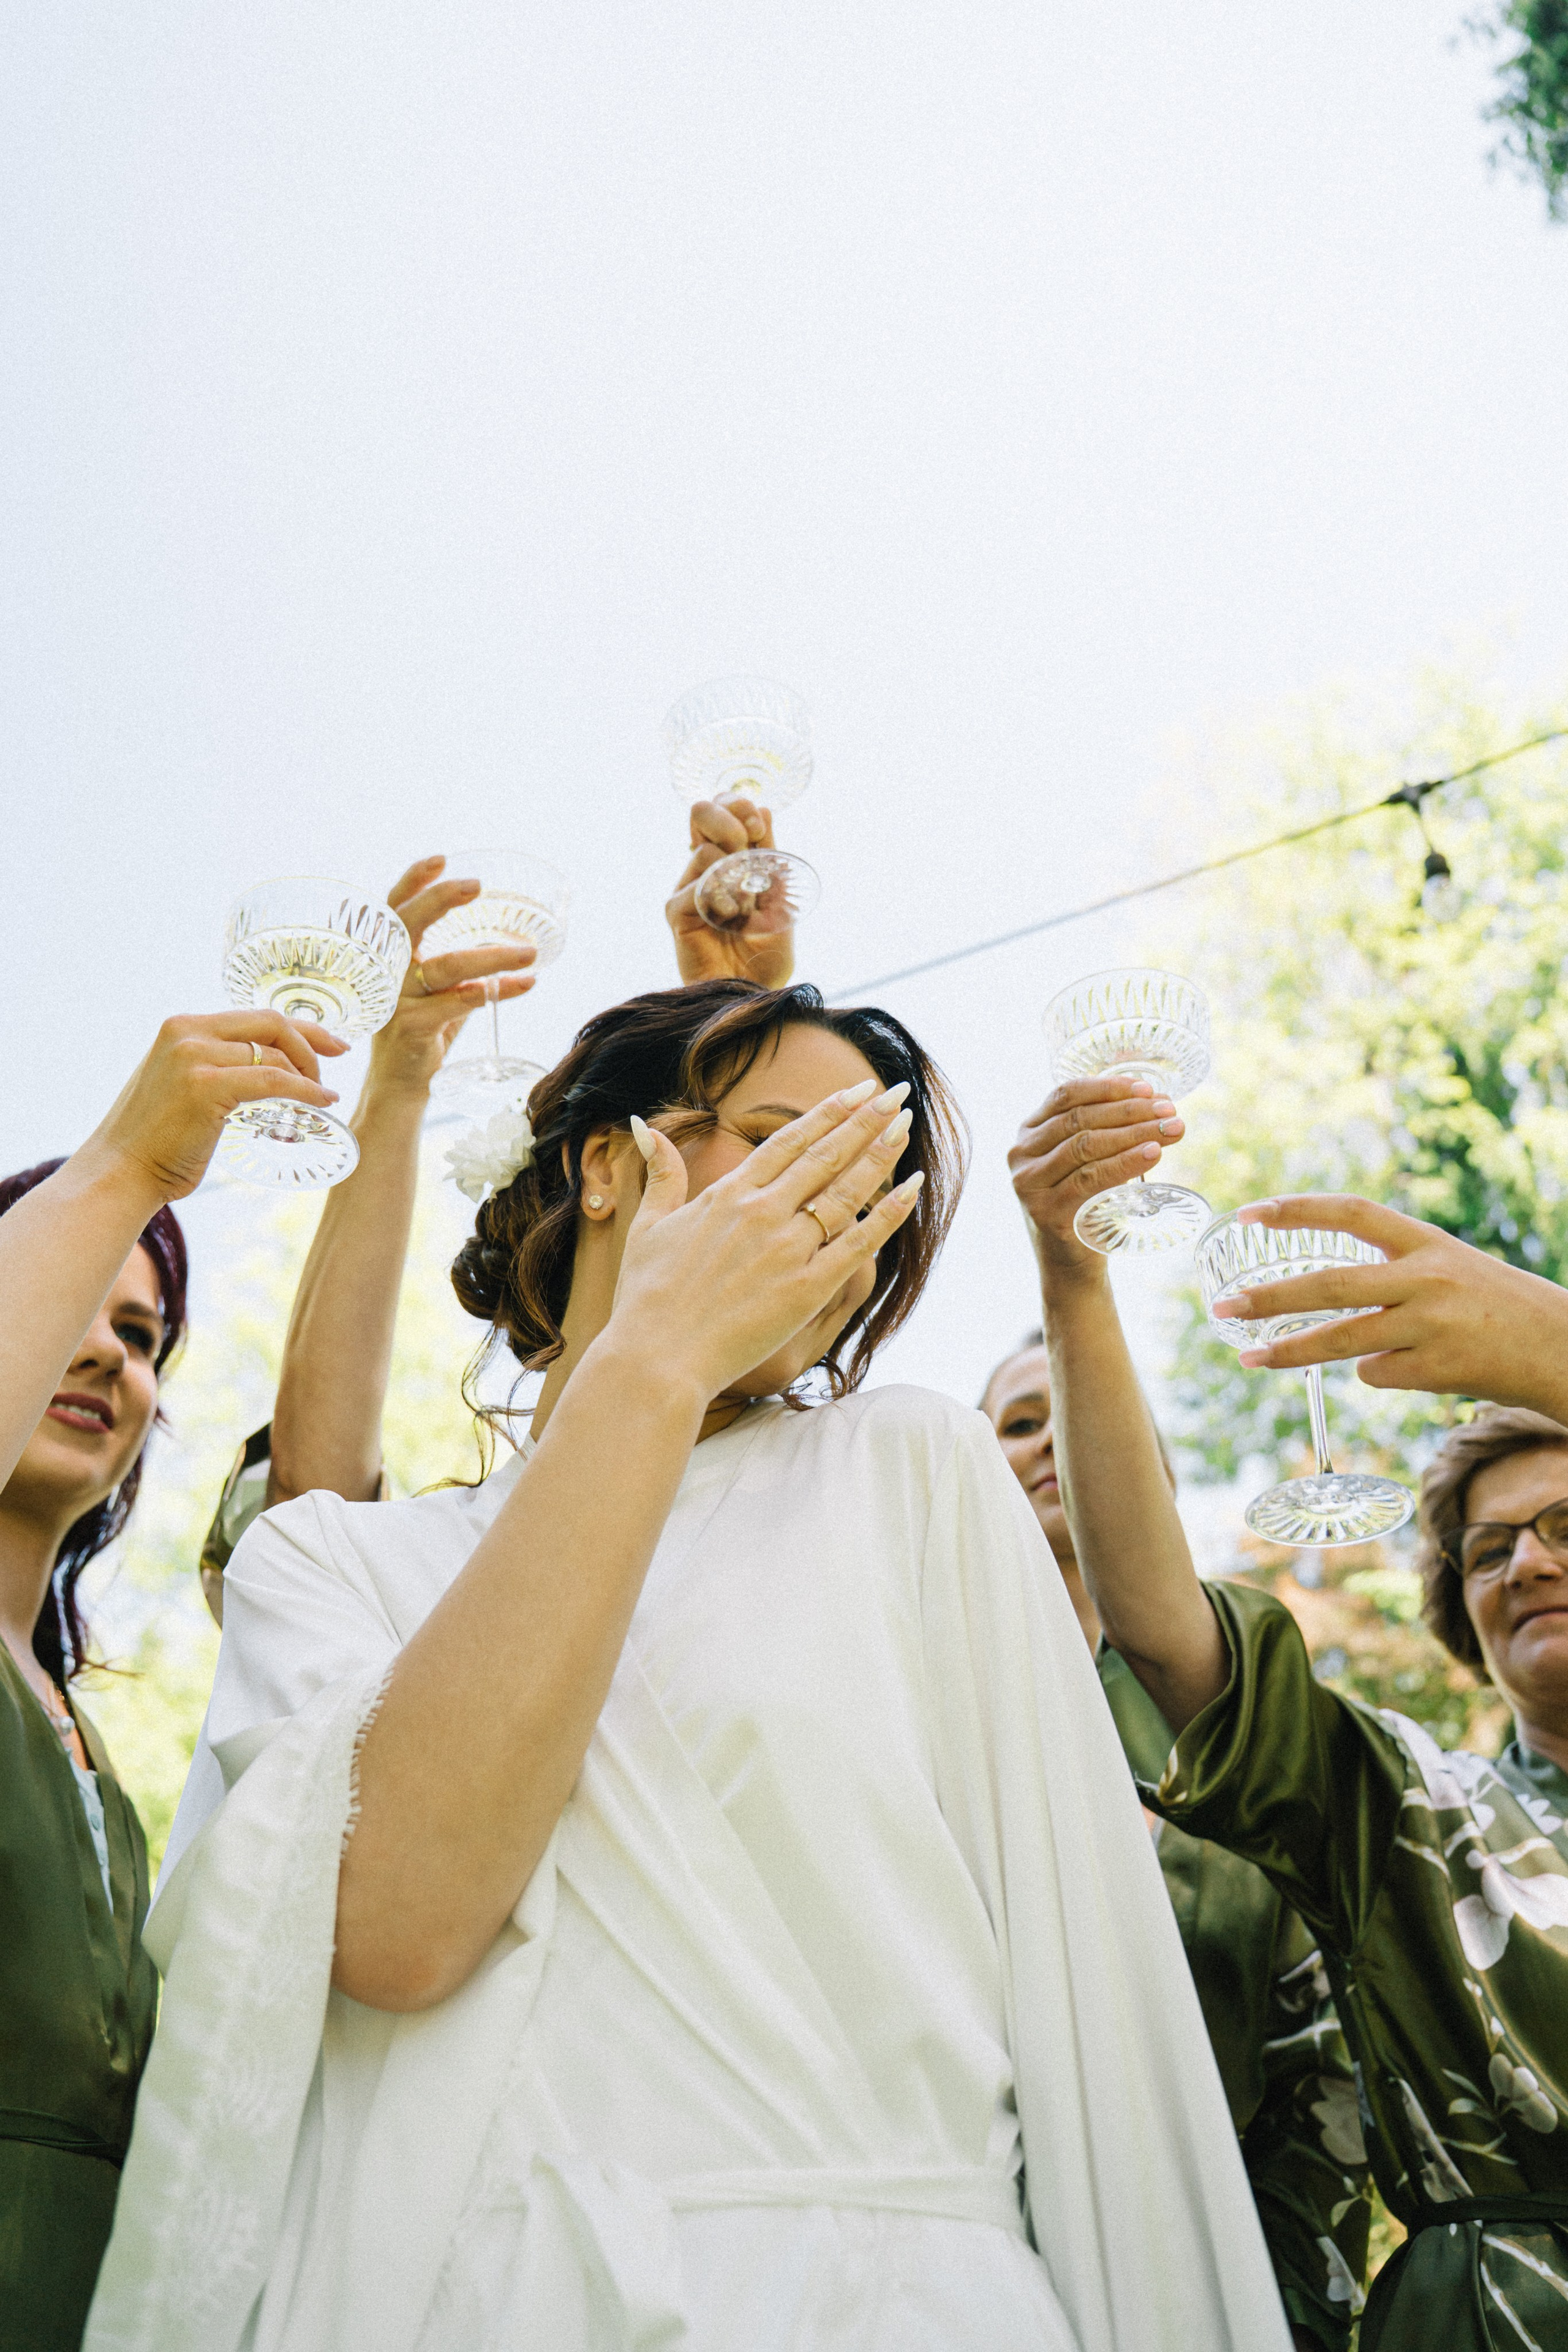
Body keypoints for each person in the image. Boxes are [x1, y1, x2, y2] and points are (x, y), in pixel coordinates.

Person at [89, 980, 1291, 2352]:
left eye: (869, 1187)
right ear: (608, 1165)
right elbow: (398, 1930)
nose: (829, 1206)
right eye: (785, 1143)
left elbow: (1104, 2030)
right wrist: (653, 1357)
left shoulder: (908, 1469)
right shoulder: (337, 1570)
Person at [1010, 1069, 1568, 2352]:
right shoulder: (1412, 1811)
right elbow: (1161, 1630)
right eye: (1485, 1552)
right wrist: (1070, 1281)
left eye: (1561, 1526)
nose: (1526, 1564)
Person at [198, 800, 794, 1619]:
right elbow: (310, 1497)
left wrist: (740, 1012)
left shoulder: (855, 1477)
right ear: (601, 1173)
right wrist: (399, 1083)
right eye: (763, 1139)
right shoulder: (418, 1568)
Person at [0, 1006, 344, 2351]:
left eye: (145, 1336)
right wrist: (126, 1166)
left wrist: (405, 1080)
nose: (108, 1355)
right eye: (75, 1307)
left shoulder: (91, 1750)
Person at [981, 1332, 1371, 2351]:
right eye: (1023, 1423)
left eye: (1080, 1414)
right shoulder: (923, 1701)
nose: (1057, 1439)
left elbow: (1319, 2056)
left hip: (1217, 2260)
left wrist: (1288, 2296)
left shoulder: (1232, 1720)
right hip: (977, 2255)